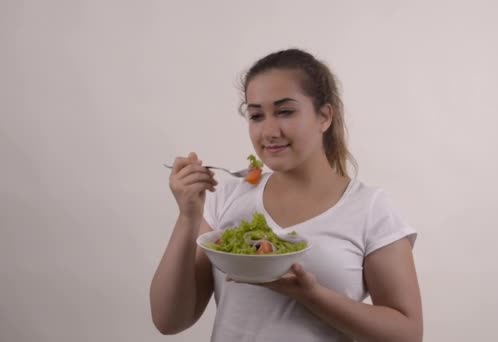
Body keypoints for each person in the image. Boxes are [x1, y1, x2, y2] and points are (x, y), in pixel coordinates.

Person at [149, 49, 423, 342]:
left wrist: (311, 295)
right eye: (256, 115)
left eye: (285, 112)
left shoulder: (369, 207)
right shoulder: (225, 196)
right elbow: (169, 320)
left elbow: (407, 334)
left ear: (324, 117)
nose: (268, 131)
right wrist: (188, 215)